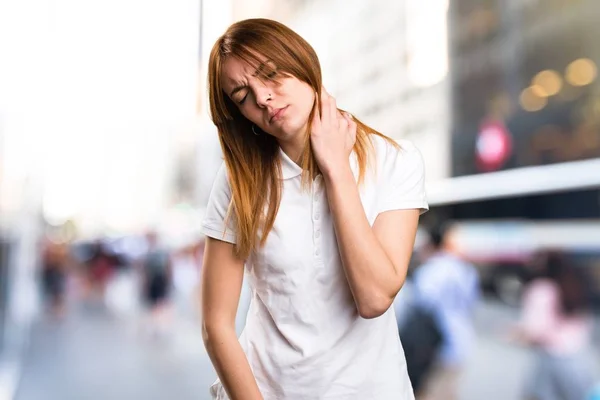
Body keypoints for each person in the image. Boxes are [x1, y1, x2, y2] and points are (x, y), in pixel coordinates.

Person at [201, 18, 428, 400]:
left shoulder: (396, 160)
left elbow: (373, 298)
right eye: (242, 97)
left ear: (301, 59)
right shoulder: (238, 181)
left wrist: (336, 168)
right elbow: (216, 324)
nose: (262, 98)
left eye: (270, 74)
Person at [405, 223, 479, 400]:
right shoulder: (466, 269)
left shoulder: (430, 270)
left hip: (435, 346)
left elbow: (422, 305)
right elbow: (471, 303)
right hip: (461, 341)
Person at [511, 250, 596, 400]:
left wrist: (514, 334)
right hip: (577, 360)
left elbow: (534, 331)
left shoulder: (541, 289)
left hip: (550, 360)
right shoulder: (574, 285)